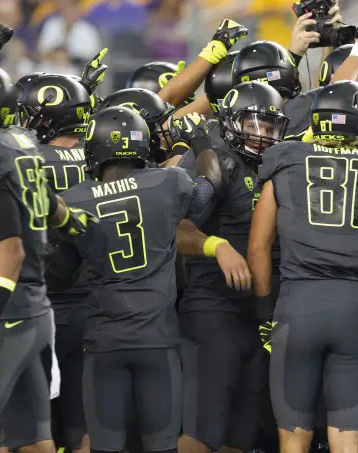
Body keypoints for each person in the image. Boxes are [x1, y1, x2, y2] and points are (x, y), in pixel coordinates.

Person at [59, 105, 246, 453]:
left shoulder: (75, 199)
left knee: (105, 447)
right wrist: (199, 139)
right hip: (157, 343)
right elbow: (212, 186)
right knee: (162, 447)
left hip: (104, 341)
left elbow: (61, 271)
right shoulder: (167, 182)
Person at [248, 80, 358, 453]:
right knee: (347, 440)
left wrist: (263, 311)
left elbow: (259, 247)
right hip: (353, 309)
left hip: (296, 307)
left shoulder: (286, 157)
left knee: (293, 439)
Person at [0, 63, 96, 453]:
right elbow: (52, 206)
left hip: (4, 311)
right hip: (35, 309)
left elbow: (9, 249)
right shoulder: (22, 145)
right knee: (32, 439)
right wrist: (78, 222)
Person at [177, 82, 288, 453]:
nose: (261, 135)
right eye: (253, 124)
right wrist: (216, 245)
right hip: (214, 305)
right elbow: (177, 227)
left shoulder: (282, 164)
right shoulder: (214, 160)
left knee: (241, 435)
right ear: (230, 122)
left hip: (263, 312)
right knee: (203, 429)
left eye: (270, 127)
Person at [17, 73, 94, 453]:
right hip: (94, 308)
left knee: (29, 429)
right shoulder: (101, 153)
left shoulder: (22, 157)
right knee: (83, 427)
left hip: (32, 307)